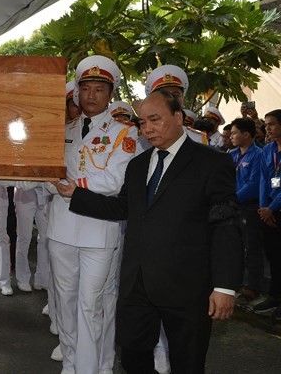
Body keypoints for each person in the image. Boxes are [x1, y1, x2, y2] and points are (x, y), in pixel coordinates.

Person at [57, 90, 242, 373]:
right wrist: (76, 194)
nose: (147, 129)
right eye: (142, 123)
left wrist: (224, 286)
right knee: (133, 359)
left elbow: (226, 225)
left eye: (155, 120)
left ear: (178, 117)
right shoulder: (138, 165)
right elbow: (122, 208)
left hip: (186, 289)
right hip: (137, 287)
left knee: (187, 364)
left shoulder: (211, 162)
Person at [46, 55, 138, 374]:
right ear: (77, 92)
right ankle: (72, 364)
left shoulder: (124, 133)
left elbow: (116, 181)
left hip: (100, 230)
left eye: (99, 89)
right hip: (61, 228)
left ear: (110, 94)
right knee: (66, 304)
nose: (91, 95)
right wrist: (51, 181)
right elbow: (46, 175)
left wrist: (75, 185)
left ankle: (92, 367)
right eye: (86, 88)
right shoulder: (61, 130)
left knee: (91, 305)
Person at [228, 117, 263, 307]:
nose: (231, 136)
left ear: (246, 135)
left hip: (249, 207)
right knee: (234, 248)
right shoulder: (231, 154)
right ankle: (235, 283)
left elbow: (253, 184)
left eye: (234, 133)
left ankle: (252, 287)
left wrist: (232, 199)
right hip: (232, 206)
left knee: (252, 248)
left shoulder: (259, 155)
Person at [255, 109, 281, 320]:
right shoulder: (268, 150)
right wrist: (265, 208)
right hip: (269, 210)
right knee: (273, 255)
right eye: (266, 124)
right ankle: (274, 296)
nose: (267, 128)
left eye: (271, 124)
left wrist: (272, 208)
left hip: (276, 208)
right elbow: (264, 180)